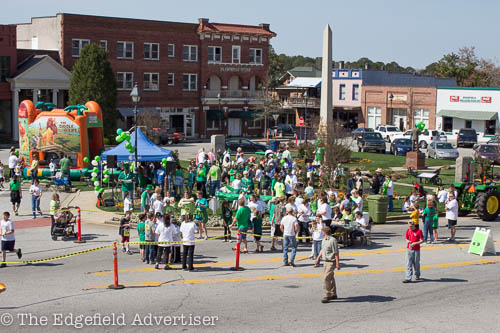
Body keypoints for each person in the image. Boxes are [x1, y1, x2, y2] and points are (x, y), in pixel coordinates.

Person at [314, 226, 340, 303]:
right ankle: (333, 294)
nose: (322, 233)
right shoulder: (324, 240)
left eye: (323, 232)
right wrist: (318, 258)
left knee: (326, 278)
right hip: (325, 262)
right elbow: (322, 249)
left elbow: (336, 253)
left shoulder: (333, 240)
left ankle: (327, 295)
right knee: (330, 278)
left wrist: (338, 263)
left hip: (331, 262)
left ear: (324, 232)